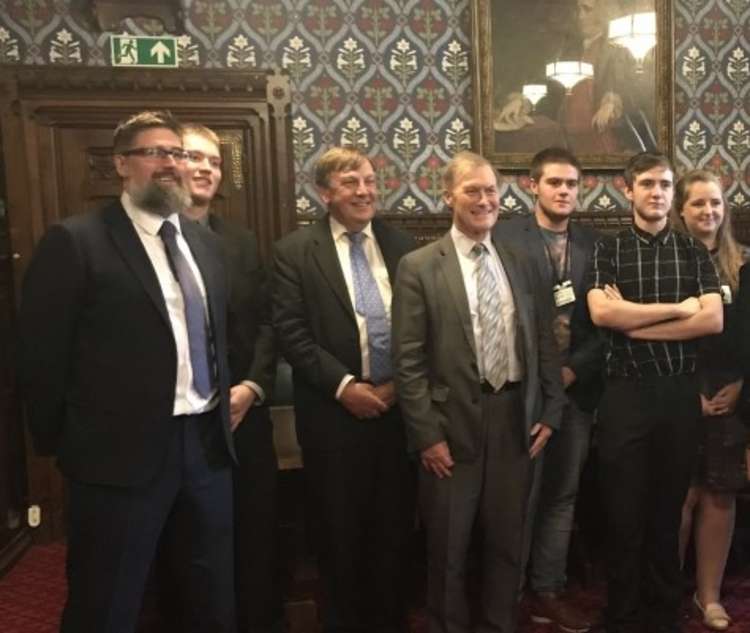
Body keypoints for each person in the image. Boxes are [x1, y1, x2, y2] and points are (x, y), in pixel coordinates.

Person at [17, 111, 237, 633]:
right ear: (120, 164)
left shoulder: (203, 244)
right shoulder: (76, 241)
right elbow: (40, 356)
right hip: (117, 458)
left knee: (208, 597)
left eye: (178, 153)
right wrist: (65, 445)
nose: (172, 163)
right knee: (107, 599)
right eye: (155, 152)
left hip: (205, 446)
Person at [392, 151, 566, 633]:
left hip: (516, 420)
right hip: (451, 431)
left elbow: (542, 341)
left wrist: (551, 410)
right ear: (448, 196)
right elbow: (407, 361)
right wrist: (427, 435)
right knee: (447, 549)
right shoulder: (419, 266)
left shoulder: (522, 259)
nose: (485, 199)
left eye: (491, 190)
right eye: (473, 190)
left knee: (508, 545)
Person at [272, 147, 415, 633]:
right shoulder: (294, 251)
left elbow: (424, 326)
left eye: (371, 181)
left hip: (399, 412)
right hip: (333, 416)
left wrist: (398, 385)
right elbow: (291, 332)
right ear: (324, 192)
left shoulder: (403, 246)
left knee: (394, 531)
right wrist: (345, 386)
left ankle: (390, 621)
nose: (365, 191)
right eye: (351, 182)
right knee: (339, 532)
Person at [587, 152, 723, 633]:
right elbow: (603, 316)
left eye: (665, 185)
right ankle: (622, 615)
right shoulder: (608, 250)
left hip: (677, 393)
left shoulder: (693, 252)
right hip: (625, 394)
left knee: (667, 512)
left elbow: (712, 319)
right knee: (623, 513)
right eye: (647, 184)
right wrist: (678, 309)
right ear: (628, 190)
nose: (657, 193)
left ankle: (663, 614)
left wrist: (637, 324)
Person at [494, 147, 602, 632]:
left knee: (561, 494)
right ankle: (505, 593)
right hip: (520, 391)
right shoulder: (503, 236)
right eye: (554, 182)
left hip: (575, 391)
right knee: (516, 494)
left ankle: (548, 590)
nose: (564, 191)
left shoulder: (597, 245)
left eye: (572, 184)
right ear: (532, 185)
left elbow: (607, 325)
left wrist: (573, 371)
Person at [180, 124, 282, 633]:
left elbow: (267, 322)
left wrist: (253, 387)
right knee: (187, 544)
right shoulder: (147, 240)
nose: (205, 169)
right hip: (176, 425)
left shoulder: (240, 242)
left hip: (244, 414)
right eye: (193, 157)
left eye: (214, 162)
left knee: (255, 534)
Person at [672, 170, 748, 631]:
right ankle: (667, 592)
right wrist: (686, 394)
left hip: (731, 396)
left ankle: (710, 597)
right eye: (698, 203)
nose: (709, 212)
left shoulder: (741, 266)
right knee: (679, 495)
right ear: (681, 210)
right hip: (678, 391)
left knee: (719, 493)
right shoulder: (668, 262)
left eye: (716, 203)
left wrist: (741, 387)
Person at [494, 0, 653, 155]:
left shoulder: (621, 48)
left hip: (606, 136)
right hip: (568, 138)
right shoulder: (570, 49)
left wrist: (612, 102)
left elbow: (635, 88)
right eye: (579, 9)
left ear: (603, 11)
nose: (580, 16)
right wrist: (523, 101)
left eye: (587, 9)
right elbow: (551, 88)